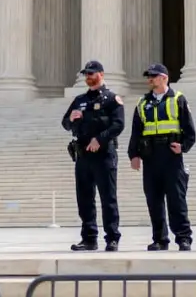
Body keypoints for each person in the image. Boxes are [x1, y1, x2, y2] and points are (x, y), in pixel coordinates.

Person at [128, 62, 196, 251]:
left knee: (176, 199)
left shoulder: (178, 99)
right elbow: (136, 130)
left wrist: (183, 147)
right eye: (149, 76)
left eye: (153, 76)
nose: (150, 79)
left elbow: (189, 129)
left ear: (164, 78)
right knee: (154, 199)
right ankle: (159, 239)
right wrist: (133, 154)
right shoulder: (143, 102)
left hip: (171, 155)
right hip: (150, 156)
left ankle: (183, 237)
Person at [62, 59, 125, 251]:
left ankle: (112, 238)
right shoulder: (79, 100)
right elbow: (65, 123)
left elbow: (118, 125)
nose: (88, 77)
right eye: (86, 74)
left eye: (91, 73)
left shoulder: (112, 99)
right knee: (84, 199)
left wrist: (100, 139)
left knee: (108, 198)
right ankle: (89, 238)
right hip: (83, 156)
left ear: (101, 74)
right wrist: (70, 120)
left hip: (104, 155)